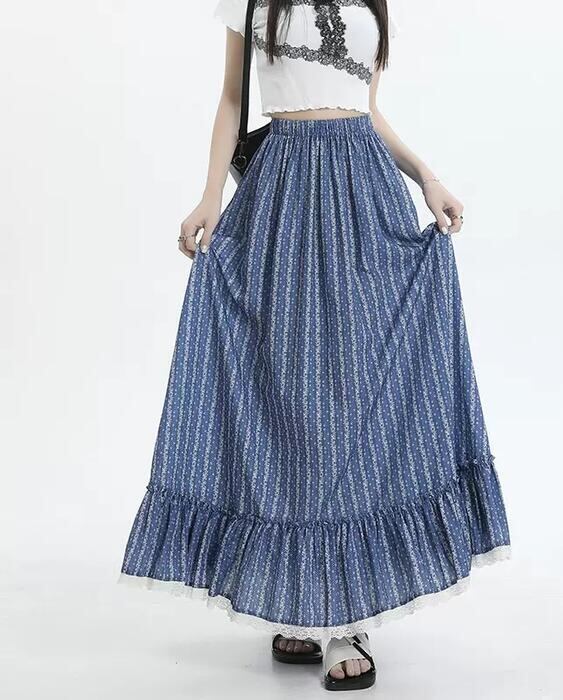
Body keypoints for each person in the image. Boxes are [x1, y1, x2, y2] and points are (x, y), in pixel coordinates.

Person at [118, 0, 511, 691]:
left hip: (365, 196)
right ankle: (302, 602)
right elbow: (233, 99)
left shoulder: (373, 3)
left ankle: (347, 619)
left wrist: (426, 177)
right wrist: (209, 196)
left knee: (352, 399)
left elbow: (367, 109)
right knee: (290, 399)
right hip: (283, 196)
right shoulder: (251, 0)